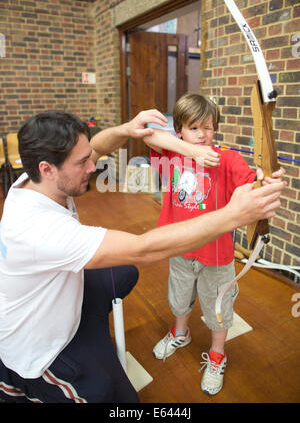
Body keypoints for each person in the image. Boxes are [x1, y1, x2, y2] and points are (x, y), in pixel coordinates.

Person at [0, 109, 284, 404]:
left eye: (87, 157)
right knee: (121, 400)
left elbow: (97, 146)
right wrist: (233, 215)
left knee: (126, 272)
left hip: (58, 293)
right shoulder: (39, 229)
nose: (92, 167)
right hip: (40, 351)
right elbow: (144, 247)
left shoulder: (34, 181)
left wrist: (127, 128)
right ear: (47, 169)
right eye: (83, 162)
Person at [143, 94, 285, 396]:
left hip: (217, 254)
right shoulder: (171, 157)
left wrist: (267, 180)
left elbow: (254, 182)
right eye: (194, 128)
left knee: (218, 309)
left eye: (209, 127)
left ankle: (218, 354)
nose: (204, 135)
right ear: (178, 130)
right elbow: (146, 132)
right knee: (179, 299)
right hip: (179, 247)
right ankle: (180, 332)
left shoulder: (228, 159)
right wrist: (188, 151)